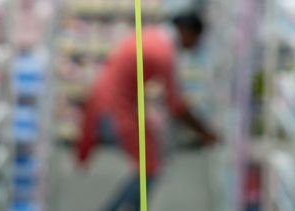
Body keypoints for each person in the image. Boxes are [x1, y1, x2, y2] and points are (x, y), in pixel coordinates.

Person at [76, 11, 220, 211]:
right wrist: (205, 131)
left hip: (111, 103)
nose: (195, 45)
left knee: (149, 165)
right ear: (187, 31)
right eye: (196, 38)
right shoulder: (163, 51)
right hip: (114, 109)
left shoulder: (153, 37)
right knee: (149, 168)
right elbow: (176, 104)